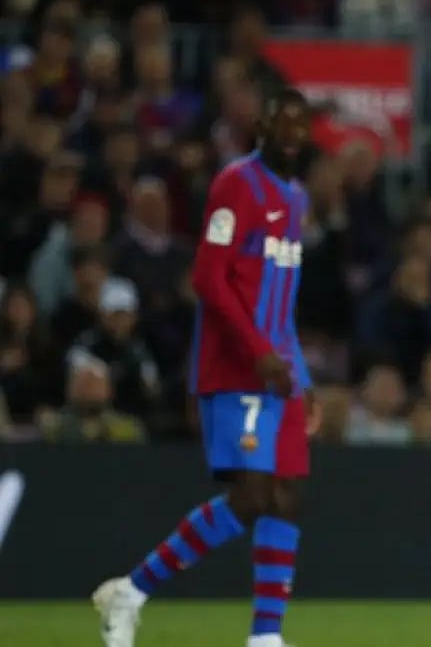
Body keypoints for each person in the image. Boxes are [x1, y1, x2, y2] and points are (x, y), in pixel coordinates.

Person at [92, 89, 318, 647]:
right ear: (262, 126)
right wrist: (258, 352)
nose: (291, 135)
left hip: (281, 369)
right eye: (282, 123)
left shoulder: (295, 197)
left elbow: (280, 296)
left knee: (287, 494)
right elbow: (209, 277)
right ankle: (132, 590)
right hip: (239, 366)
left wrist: (298, 371)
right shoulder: (235, 184)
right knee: (251, 496)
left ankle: (265, 637)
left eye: (300, 126)